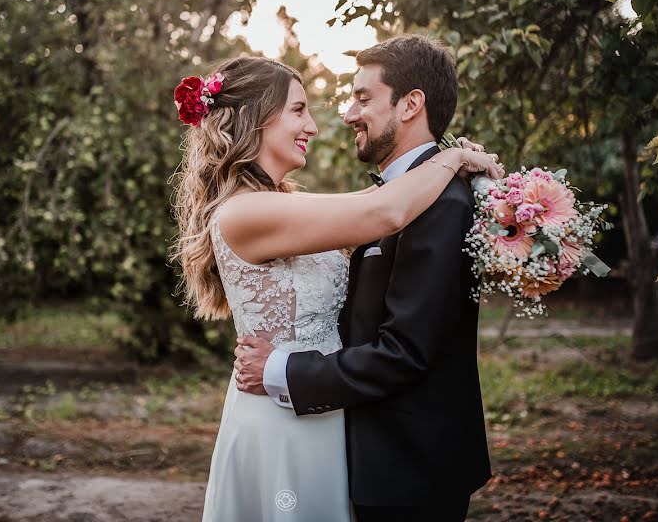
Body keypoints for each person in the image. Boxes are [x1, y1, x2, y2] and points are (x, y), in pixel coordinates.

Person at [172, 49, 500, 521]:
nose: (316, 125)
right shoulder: (247, 210)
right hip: (283, 419)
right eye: (299, 110)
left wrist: (459, 173)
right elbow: (384, 210)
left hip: (320, 412)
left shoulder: (280, 203)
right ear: (256, 118)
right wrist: (456, 158)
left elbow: (380, 196)